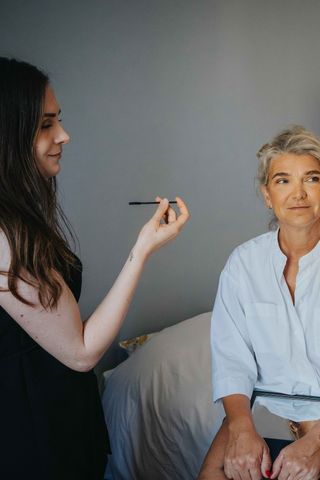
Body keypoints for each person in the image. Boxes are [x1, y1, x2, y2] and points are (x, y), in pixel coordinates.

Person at [0, 57, 190, 478]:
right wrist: (141, 252)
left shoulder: (19, 220)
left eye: (59, 121)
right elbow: (82, 351)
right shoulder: (4, 237)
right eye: (46, 124)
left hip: (60, 418)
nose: (63, 136)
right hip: (32, 440)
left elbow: (58, 326)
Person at [198, 126, 320, 480]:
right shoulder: (243, 264)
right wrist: (241, 429)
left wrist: (316, 443)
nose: (298, 193)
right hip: (263, 406)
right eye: (283, 180)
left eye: (311, 179)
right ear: (267, 195)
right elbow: (231, 359)